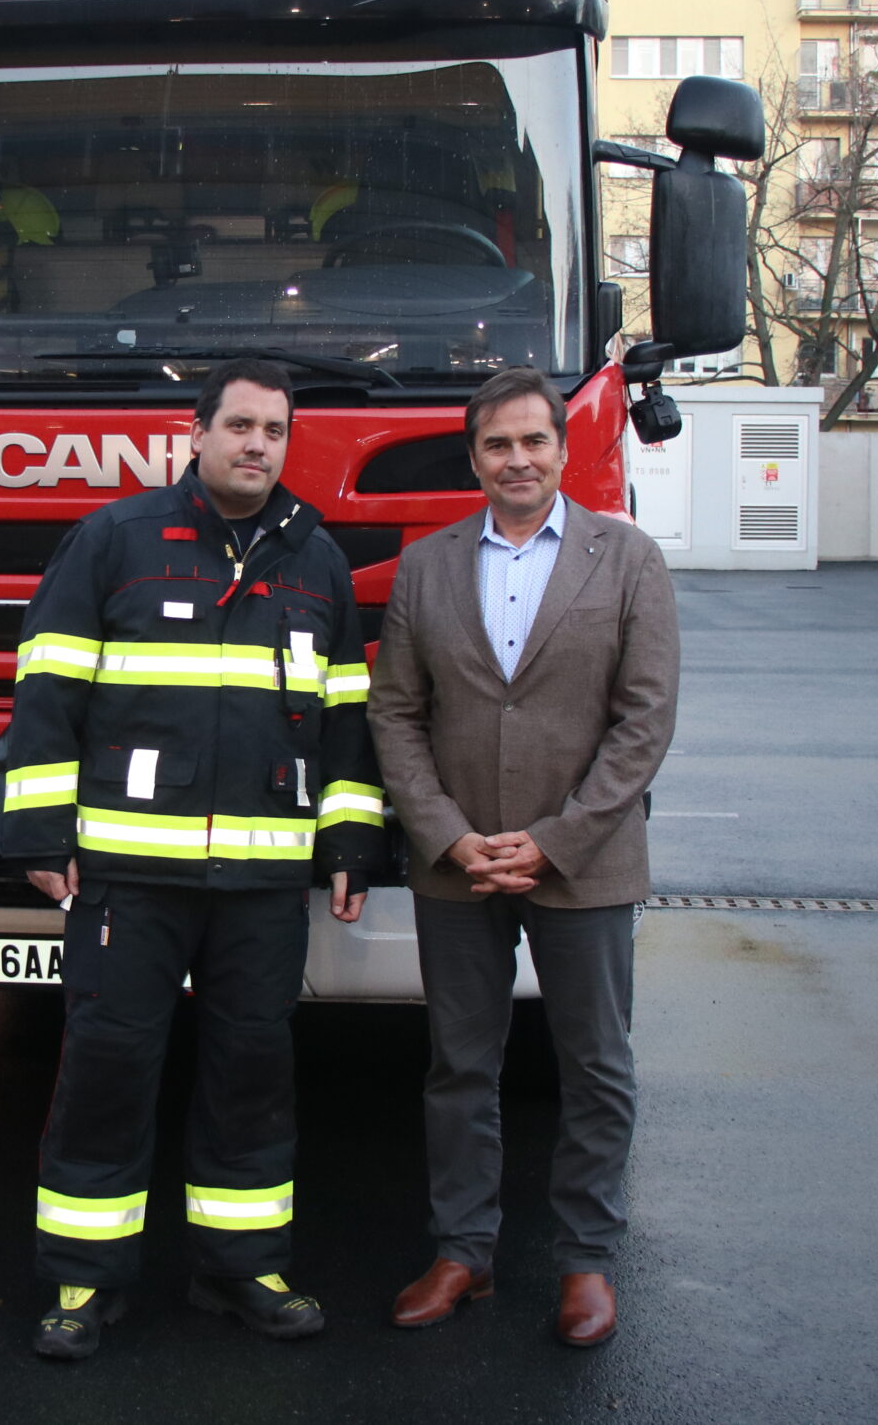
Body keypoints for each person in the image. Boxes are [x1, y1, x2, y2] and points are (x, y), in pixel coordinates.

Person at [0, 356, 386, 1361]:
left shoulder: (316, 562)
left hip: (261, 885)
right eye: (240, 425)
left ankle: (243, 1268)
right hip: (128, 880)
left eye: (274, 431)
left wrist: (349, 838)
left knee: (252, 1074)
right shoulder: (113, 541)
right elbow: (47, 691)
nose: (257, 445)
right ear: (195, 433)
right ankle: (82, 1280)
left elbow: (345, 720)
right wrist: (38, 831)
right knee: (107, 1071)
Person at [365, 365, 680, 1349]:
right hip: (455, 865)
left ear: (561, 449)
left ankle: (585, 1262)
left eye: (533, 440)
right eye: (497, 444)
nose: (516, 459)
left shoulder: (627, 557)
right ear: (474, 458)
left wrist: (555, 840)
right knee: (459, 1067)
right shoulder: (426, 565)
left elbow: (644, 720)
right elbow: (395, 713)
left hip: (586, 862)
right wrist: (445, 833)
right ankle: (463, 1251)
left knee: (596, 1068)